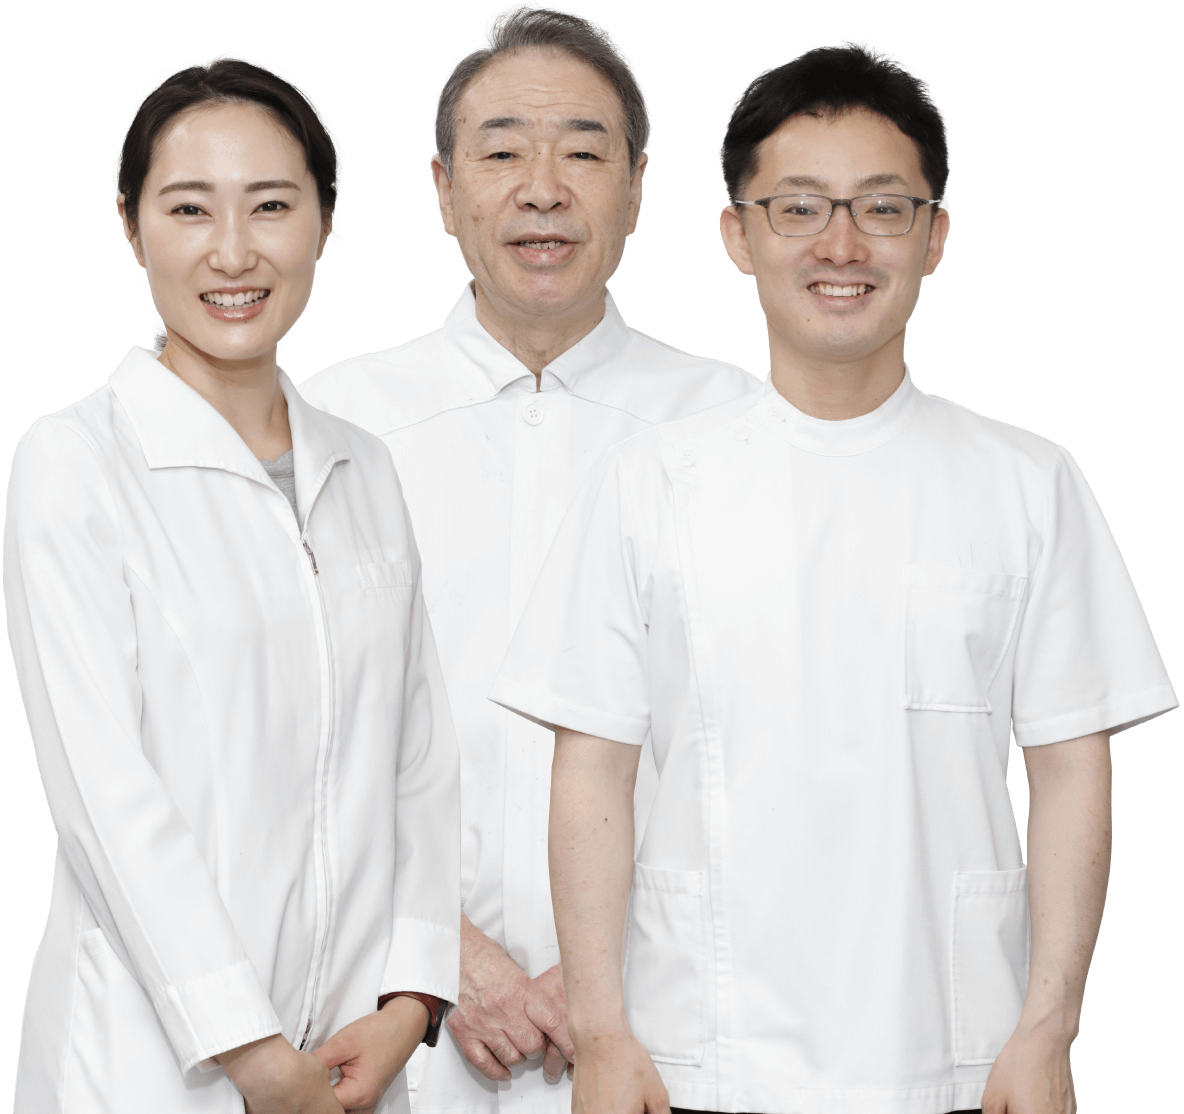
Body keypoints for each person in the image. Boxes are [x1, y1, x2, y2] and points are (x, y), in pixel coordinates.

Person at [488, 34, 1178, 1114]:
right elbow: (591, 773)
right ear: (738, 234)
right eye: (799, 208)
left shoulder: (1026, 481)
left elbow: (1069, 768)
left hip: (955, 1050)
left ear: (934, 235)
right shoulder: (649, 481)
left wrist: (1048, 1028)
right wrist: (604, 1030)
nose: (840, 245)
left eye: (882, 208)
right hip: (699, 1053)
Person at [298, 4, 760, 1111]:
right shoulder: (334, 422)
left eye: (584, 154)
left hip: (674, 1017)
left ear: (637, 188)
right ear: (443, 187)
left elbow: (775, 741)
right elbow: (285, 731)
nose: (543, 189)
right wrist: (446, 953)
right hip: (390, 1008)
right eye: (502, 152)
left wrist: (604, 971)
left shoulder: (736, 425)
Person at [5, 53, 460, 1114]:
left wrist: (408, 999)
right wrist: (250, 1051)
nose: (233, 251)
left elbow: (421, 761)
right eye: (188, 209)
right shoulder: (76, 463)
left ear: (325, 221)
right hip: (152, 1066)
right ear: (130, 225)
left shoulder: (362, 466)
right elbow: (104, 795)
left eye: (271, 205)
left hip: (352, 1056)